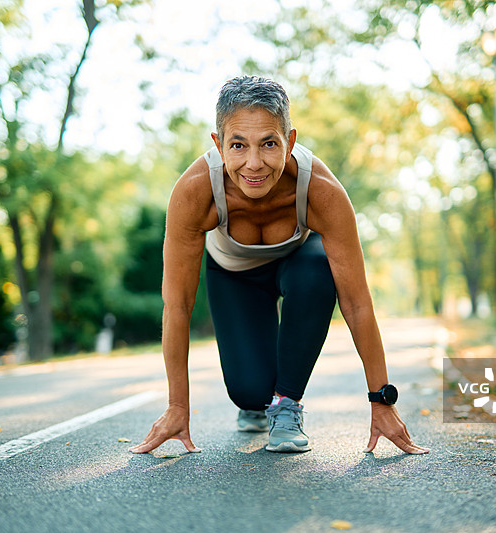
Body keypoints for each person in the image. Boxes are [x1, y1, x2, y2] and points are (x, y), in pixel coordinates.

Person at [131, 76, 429, 455]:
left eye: (269, 144)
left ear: (289, 142)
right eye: (238, 145)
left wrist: (381, 402)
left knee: (316, 272)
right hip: (235, 274)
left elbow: (356, 303)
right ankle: (261, 401)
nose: (254, 164)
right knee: (250, 393)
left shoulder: (320, 189)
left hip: (301, 265)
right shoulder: (195, 192)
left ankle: (286, 405)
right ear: (218, 144)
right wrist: (177, 406)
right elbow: (178, 305)